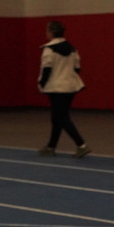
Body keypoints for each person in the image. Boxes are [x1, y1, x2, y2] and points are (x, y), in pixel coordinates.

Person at [37, 20, 91, 158]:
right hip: (71, 86)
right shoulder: (72, 49)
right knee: (57, 116)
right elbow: (77, 68)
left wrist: (41, 83)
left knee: (61, 117)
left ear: (51, 32)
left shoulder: (48, 49)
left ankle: (81, 145)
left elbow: (46, 69)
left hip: (55, 87)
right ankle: (51, 146)